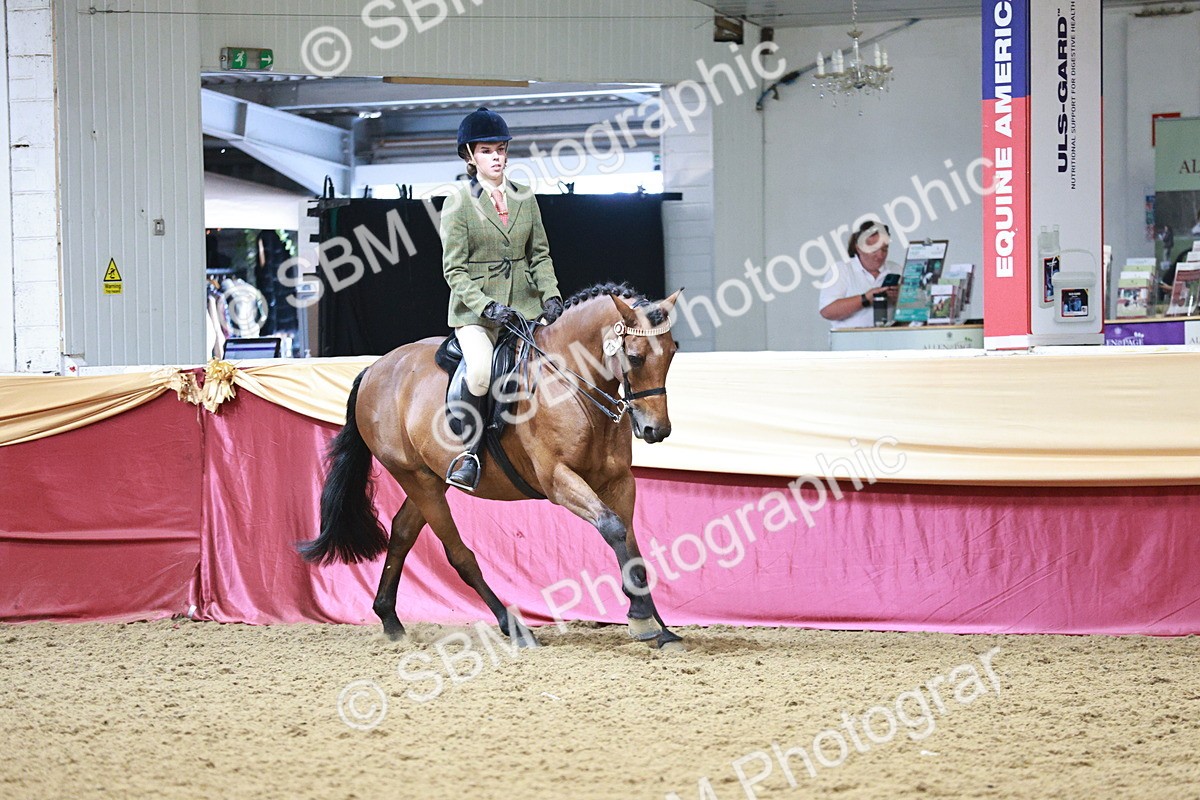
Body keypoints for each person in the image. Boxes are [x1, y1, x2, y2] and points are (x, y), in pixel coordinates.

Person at [440, 107, 564, 491]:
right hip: (478, 314)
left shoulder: (525, 197)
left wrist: (552, 296)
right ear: (470, 156)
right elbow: (454, 271)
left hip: (524, 305)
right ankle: (471, 454)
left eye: (501, 149)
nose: (497, 157)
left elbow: (539, 254)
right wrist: (485, 306)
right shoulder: (458, 202)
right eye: (487, 151)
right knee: (480, 372)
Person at [818, 220, 902, 329]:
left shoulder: (896, 269)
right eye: (874, 249)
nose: (880, 255)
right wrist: (865, 299)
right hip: (851, 341)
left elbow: (913, 311)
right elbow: (827, 311)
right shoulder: (841, 270)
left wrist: (900, 299)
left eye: (884, 249)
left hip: (888, 340)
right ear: (859, 248)